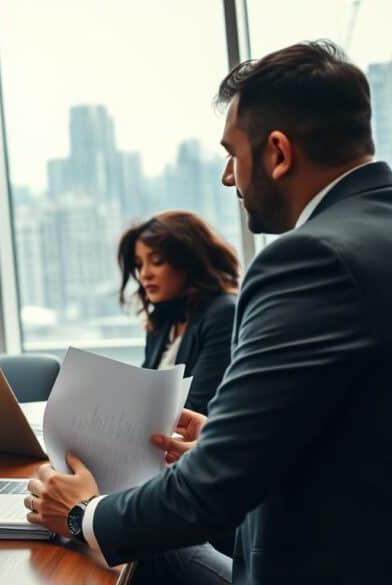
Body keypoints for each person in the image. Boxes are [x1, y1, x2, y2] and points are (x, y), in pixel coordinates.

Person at [25, 41, 392, 584]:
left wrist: (83, 514)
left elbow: (211, 494)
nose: (228, 178)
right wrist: (227, 432)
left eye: (232, 154)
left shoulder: (308, 259)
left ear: (278, 153)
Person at [117, 211, 239, 415]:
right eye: (139, 265)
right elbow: (142, 394)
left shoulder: (223, 313)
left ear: (188, 262)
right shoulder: (161, 320)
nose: (145, 274)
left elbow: (197, 408)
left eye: (156, 261)